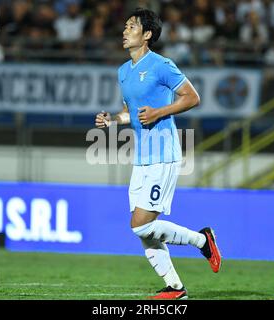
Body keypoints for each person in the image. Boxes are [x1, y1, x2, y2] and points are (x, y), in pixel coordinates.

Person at [94, 8, 221, 300]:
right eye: (124, 26)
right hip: (142, 158)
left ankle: (203, 240)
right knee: (142, 229)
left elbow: (192, 97)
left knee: (142, 225)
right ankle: (176, 289)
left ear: (147, 34)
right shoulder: (123, 71)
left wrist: (159, 112)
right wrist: (112, 120)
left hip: (163, 154)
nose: (124, 31)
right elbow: (132, 114)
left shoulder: (162, 65)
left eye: (131, 26)